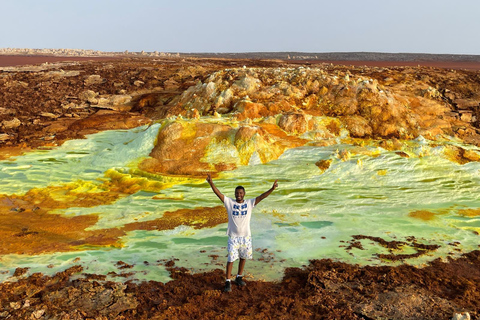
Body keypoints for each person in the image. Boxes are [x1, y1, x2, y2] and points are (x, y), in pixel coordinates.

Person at [206, 173, 278, 292]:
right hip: (233, 237)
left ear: (244, 194)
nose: (239, 195)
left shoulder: (249, 203)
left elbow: (262, 196)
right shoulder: (229, 203)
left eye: (241, 193)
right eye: (237, 193)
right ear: (235, 194)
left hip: (246, 236)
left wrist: (272, 188)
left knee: (243, 257)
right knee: (231, 259)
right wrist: (211, 183)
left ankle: (239, 277)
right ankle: (228, 281)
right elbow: (218, 193)